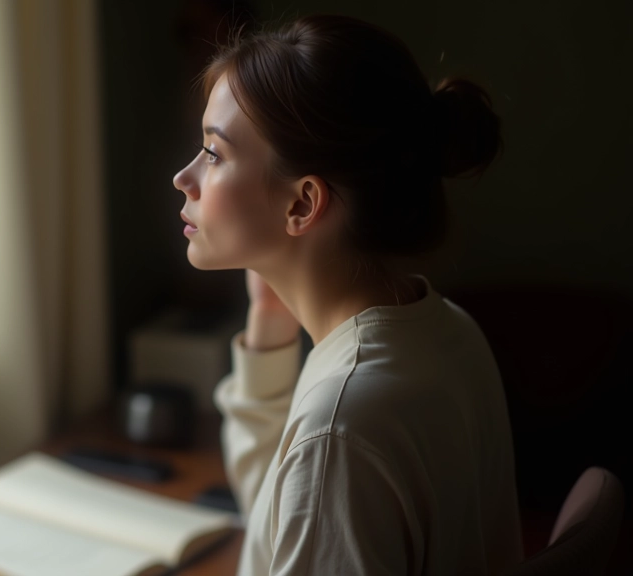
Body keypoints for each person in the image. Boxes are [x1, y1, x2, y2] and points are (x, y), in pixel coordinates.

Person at [172, 13, 523, 576]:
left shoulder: (343, 424)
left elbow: (321, 473)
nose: (183, 178)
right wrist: (268, 320)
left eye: (213, 154)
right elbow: (287, 516)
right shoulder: (449, 331)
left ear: (303, 205)